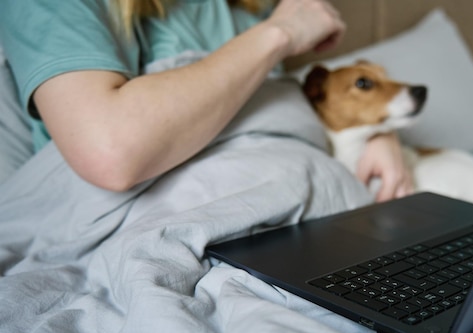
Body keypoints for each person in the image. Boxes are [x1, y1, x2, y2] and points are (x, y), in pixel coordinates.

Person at [0, 0, 413, 201]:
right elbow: (110, 151)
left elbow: (282, 114)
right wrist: (280, 34)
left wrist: (374, 131)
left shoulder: (242, 10)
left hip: (302, 222)